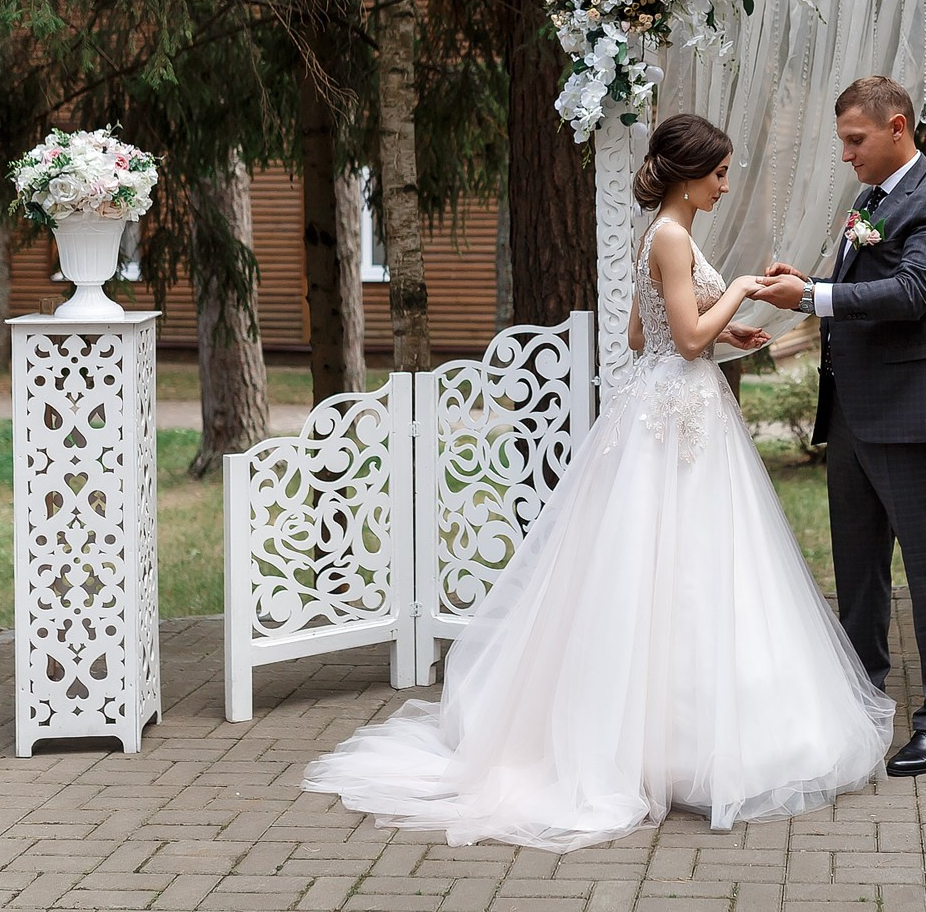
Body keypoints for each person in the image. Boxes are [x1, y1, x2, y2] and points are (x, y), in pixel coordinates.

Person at [302, 113, 894, 852]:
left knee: (679, 573)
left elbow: (641, 334)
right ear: (688, 174)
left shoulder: (664, 233)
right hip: (676, 421)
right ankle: (669, 748)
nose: (725, 182)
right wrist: (738, 291)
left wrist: (724, 329)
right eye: (718, 172)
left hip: (672, 411)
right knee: (673, 573)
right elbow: (679, 339)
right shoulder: (672, 237)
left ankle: (672, 741)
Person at [750, 76, 926, 777]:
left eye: (855, 140)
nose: (846, 154)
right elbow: (868, 278)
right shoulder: (868, 202)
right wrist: (813, 277)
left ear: (898, 129)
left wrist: (815, 296)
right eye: (843, 141)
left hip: (912, 415)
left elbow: (912, 293)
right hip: (853, 412)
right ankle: (858, 701)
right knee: (858, 574)